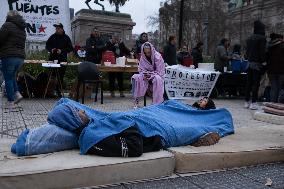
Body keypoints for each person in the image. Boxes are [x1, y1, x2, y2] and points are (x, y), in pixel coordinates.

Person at [12, 97, 234, 157]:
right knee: (102, 119)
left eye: (206, 100)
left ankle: (33, 141)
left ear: (208, 108)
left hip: (160, 126)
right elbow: (162, 106)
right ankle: (79, 122)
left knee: (80, 121)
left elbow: (218, 119)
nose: (202, 99)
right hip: (148, 114)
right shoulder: (178, 104)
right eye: (203, 98)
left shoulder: (198, 116)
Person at [0, 11, 26, 110]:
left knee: (8, 78)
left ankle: (11, 101)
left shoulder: (7, 25)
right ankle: (17, 93)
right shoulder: (22, 28)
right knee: (12, 76)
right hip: (20, 57)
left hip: (9, 55)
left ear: (9, 16)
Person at [131, 42, 165, 108]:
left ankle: (156, 102)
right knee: (135, 77)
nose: (147, 54)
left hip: (157, 75)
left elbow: (160, 71)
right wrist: (145, 74)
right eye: (145, 53)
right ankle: (136, 100)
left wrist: (151, 75)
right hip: (146, 75)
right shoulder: (143, 57)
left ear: (151, 50)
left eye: (149, 52)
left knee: (157, 79)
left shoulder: (158, 57)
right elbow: (141, 69)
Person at [46, 23, 74, 97]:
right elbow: (47, 45)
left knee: (60, 76)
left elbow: (70, 48)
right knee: (52, 76)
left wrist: (62, 50)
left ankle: (59, 91)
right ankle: (50, 92)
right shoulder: (52, 37)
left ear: (62, 29)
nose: (56, 30)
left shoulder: (66, 37)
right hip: (52, 59)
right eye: (56, 28)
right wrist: (51, 49)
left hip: (62, 59)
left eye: (58, 28)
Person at [244, 20, 267, 110]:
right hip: (257, 64)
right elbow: (262, 51)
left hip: (249, 63)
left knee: (248, 83)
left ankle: (246, 101)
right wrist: (264, 61)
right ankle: (254, 102)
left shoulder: (249, 38)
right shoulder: (262, 38)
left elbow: (247, 52)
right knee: (256, 84)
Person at [267, 33, 284, 103]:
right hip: (281, 70)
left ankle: (272, 103)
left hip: (271, 70)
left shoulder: (269, 46)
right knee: (280, 88)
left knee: (273, 88)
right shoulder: (282, 46)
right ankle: (278, 104)